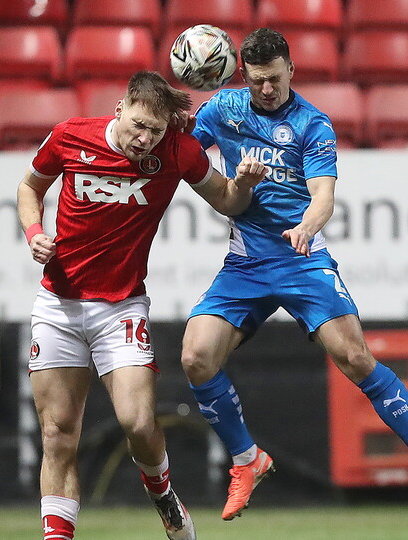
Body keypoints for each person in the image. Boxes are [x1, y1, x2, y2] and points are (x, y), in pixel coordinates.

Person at [180, 28, 408, 521]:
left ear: (291, 69)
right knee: (194, 357)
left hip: (302, 258)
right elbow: (182, 155)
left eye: (273, 79)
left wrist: (305, 228)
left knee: (355, 356)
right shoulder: (222, 110)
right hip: (245, 264)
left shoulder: (313, 123)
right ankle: (247, 461)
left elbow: (324, 198)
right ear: (242, 75)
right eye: (256, 82)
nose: (265, 90)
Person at [17, 71, 266, 540]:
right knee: (57, 434)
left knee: (136, 421)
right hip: (59, 304)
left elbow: (228, 200)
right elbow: (30, 188)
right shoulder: (71, 135)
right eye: (137, 125)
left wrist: (245, 184)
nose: (144, 138)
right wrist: (34, 235)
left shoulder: (177, 150)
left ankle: (163, 495)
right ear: (119, 109)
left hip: (121, 308)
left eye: (154, 130)